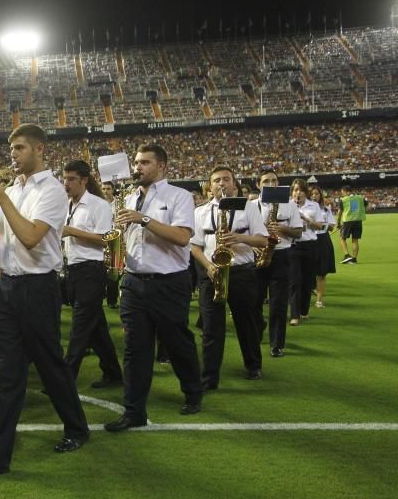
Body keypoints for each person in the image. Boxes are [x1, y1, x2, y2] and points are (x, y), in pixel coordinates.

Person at [0, 124, 88, 477]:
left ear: (39, 149)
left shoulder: (53, 192)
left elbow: (31, 237)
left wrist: (1, 198)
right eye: (11, 148)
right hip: (5, 287)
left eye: (19, 148)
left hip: (38, 287)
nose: (12, 155)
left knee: (50, 366)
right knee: (6, 373)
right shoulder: (12, 188)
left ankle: (77, 427)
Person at [104, 143, 205, 432]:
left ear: (161, 166)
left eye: (145, 163)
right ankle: (133, 411)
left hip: (170, 281)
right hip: (134, 282)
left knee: (177, 342)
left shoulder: (180, 196)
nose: (137, 168)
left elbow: (183, 237)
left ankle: (193, 391)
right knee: (135, 349)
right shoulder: (129, 197)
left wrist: (143, 219)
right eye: (136, 163)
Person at [189, 166, 268, 388]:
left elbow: (263, 240)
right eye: (216, 181)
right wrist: (208, 267)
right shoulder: (200, 212)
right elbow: (194, 247)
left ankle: (253, 366)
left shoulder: (249, 208)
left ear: (234, 184)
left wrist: (238, 238)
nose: (221, 184)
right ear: (210, 186)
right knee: (211, 328)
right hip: (211, 273)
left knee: (247, 324)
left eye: (226, 179)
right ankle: (210, 377)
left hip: (242, 272)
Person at [60, 160, 123, 389]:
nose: (66, 183)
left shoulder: (99, 205)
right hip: (74, 270)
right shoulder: (66, 204)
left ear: (84, 180)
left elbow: (106, 239)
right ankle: (113, 372)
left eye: (71, 179)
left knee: (80, 327)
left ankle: (65, 378)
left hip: (92, 270)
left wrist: (71, 231)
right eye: (64, 178)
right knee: (95, 327)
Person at [252, 169, 303, 358]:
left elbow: (298, 232)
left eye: (274, 180)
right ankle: (257, 331)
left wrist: (283, 228)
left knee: (279, 303)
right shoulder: (250, 205)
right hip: (257, 255)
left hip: (282, 256)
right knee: (254, 301)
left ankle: (277, 343)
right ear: (258, 184)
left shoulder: (289, 204)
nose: (271, 184)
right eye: (266, 181)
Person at [288, 179, 322, 326]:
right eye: (295, 190)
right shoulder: (287, 205)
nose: (298, 193)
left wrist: (306, 219)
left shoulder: (314, 206)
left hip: (310, 245)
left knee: (307, 281)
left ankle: (303, 310)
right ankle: (294, 315)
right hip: (293, 246)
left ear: (305, 192)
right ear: (292, 192)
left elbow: (320, 226)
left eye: (301, 190)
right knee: (294, 281)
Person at [309, 185, 335, 308]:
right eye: (312, 194)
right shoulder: (303, 209)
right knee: (307, 271)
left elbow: (332, 227)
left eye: (316, 194)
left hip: (323, 239)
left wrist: (319, 224)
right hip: (308, 240)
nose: (314, 196)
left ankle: (319, 300)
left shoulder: (325, 209)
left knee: (322, 272)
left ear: (320, 196)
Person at [100, 179, 120, 308]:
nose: (106, 191)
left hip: (115, 241)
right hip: (100, 241)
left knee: (114, 270)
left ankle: (112, 300)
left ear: (113, 190)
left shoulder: (118, 204)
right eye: (104, 189)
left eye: (108, 189)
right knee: (100, 271)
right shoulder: (98, 204)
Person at [337, 185, 366, 264]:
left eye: (342, 193)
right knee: (355, 240)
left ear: (346, 192)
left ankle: (346, 255)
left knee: (342, 238)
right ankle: (354, 258)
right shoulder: (360, 198)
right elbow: (366, 205)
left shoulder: (343, 200)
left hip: (348, 221)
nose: (342, 194)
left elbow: (339, 213)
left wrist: (338, 223)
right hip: (358, 221)